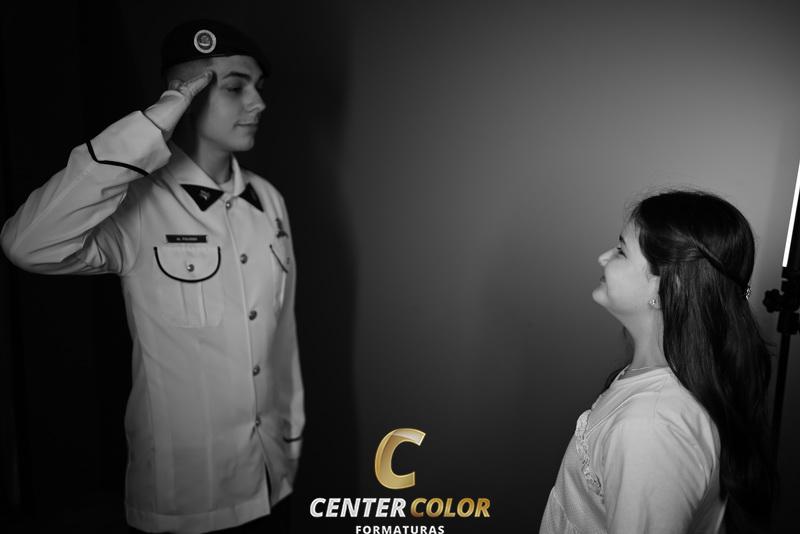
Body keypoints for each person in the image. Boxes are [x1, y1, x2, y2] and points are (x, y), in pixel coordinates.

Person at [1, 19, 303, 534]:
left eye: (258, 87)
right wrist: (154, 123)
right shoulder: (137, 203)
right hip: (186, 497)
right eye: (236, 87)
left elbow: (283, 339)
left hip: (272, 477)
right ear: (186, 97)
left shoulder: (267, 200)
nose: (258, 103)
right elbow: (27, 244)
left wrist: (290, 442)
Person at [539, 190, 775, 533]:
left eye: (621, 250)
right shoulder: (654, 386)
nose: (603, 257)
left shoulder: (650, 427)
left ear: (668, 286)